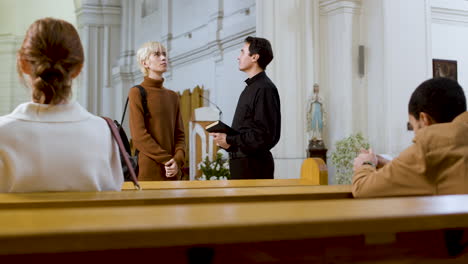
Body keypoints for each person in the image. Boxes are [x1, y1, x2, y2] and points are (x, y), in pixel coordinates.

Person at [0, 18, 123, 192]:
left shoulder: (3, 131)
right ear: (78, 68)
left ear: (23, 63)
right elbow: (113, 196)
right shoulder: (103, 131)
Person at [352, 77, 468, 198]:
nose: (415, 134)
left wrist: (365, 164)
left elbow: (362, 189)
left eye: (414, 127)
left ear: (424, 119)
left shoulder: (428, 149)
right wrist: (391, 165)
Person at [211, 36, 281, 179]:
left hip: (254, 166)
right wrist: (227, 142)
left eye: (242, 52)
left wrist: (230, 139)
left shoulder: (264, 88)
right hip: (242, 163)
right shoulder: (250, 88)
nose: (238, 57)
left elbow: (264, 136)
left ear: (254, 57)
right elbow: (247, 130)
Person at [129, 41, 185, 181]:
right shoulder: (137, 92)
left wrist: (177, 160)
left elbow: (180, 136)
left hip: (172, 171)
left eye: (164, 54)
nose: (163, 58)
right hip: (149, 171)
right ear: (145, 63)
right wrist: (167, 160)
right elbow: (139, 136)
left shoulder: (173, 96)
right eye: (157, 54)